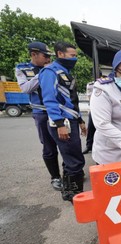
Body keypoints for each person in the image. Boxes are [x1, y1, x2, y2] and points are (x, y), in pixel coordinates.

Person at [39, 41, 86, 202]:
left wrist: (80, 120)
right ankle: (75, 195)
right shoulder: (50, 72)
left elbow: (72, 100)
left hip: (71, 120)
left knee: (70, 159)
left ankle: (68, 192)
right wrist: (59, 124)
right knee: (75, 160)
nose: (75, 58)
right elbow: (49, 100)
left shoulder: (65, 71)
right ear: (60, 54)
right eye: (72, 55)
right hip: (63, 122)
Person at [15, 41, 63, 191]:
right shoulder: (23, 68)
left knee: (65, 144)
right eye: (45, 56)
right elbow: (26, 88)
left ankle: (71, 173)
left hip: (58, 111)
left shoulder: (54, 68)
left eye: (49, 56)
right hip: (41, 113)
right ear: (34, 54)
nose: (48, 59)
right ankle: (55, 177)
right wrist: (44, 73)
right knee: (49, 148)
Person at [82, 81, 96, 154]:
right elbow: (89, 97)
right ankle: (89, 145)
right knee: (91, 127)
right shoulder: (91, 85)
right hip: (94, 108)